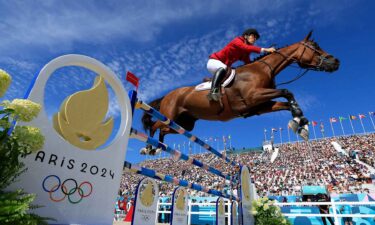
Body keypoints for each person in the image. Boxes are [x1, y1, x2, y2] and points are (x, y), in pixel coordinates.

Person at [206, 28, 276, 101]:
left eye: (256, 38)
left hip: (223, 68)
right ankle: (213, 91)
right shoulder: (237, 40)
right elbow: (245, 47)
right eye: (253, 36)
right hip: (214, 61)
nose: (254, 39)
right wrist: (265, 49)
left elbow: (248, 62)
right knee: (224, 67)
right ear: (246, 36)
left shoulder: (245, 53)